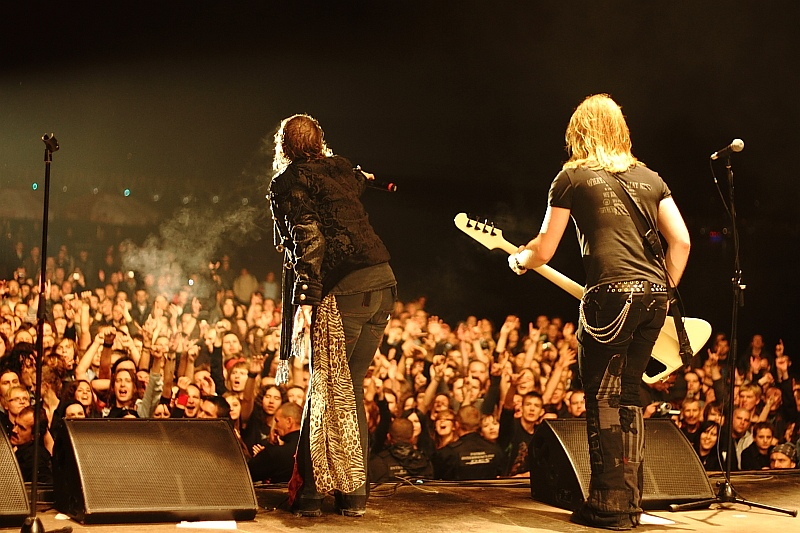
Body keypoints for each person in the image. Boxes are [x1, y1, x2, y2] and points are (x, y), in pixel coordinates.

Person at [509, 94, 690, 531]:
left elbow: (545, 247)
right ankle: (629, 501)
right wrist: (661, 290)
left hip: (611, 297)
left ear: (579, 132)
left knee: (605, 397)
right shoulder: (650, 177)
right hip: (654, 295)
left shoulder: (571, 176)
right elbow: (681, 241)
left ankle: (609, 505)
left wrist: (521, 259)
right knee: (629, 397)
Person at [269, 114, 397, 518]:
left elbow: (308, 234)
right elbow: (356, 182)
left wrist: (306, 298)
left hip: (347, 291)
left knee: (326, 389)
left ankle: (310, 495)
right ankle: (353, 495)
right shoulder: (339, 166)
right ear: (320, 143)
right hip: (384, 285)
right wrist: (367, 178)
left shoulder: (289, 181)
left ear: (284, 147)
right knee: (347, 388)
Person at [248, 401, 302, 484]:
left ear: (289, 421)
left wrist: (266, 452)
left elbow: (248, 473)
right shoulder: (313, 448)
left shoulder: (277, 452)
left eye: (277, 421)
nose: (275, 427)